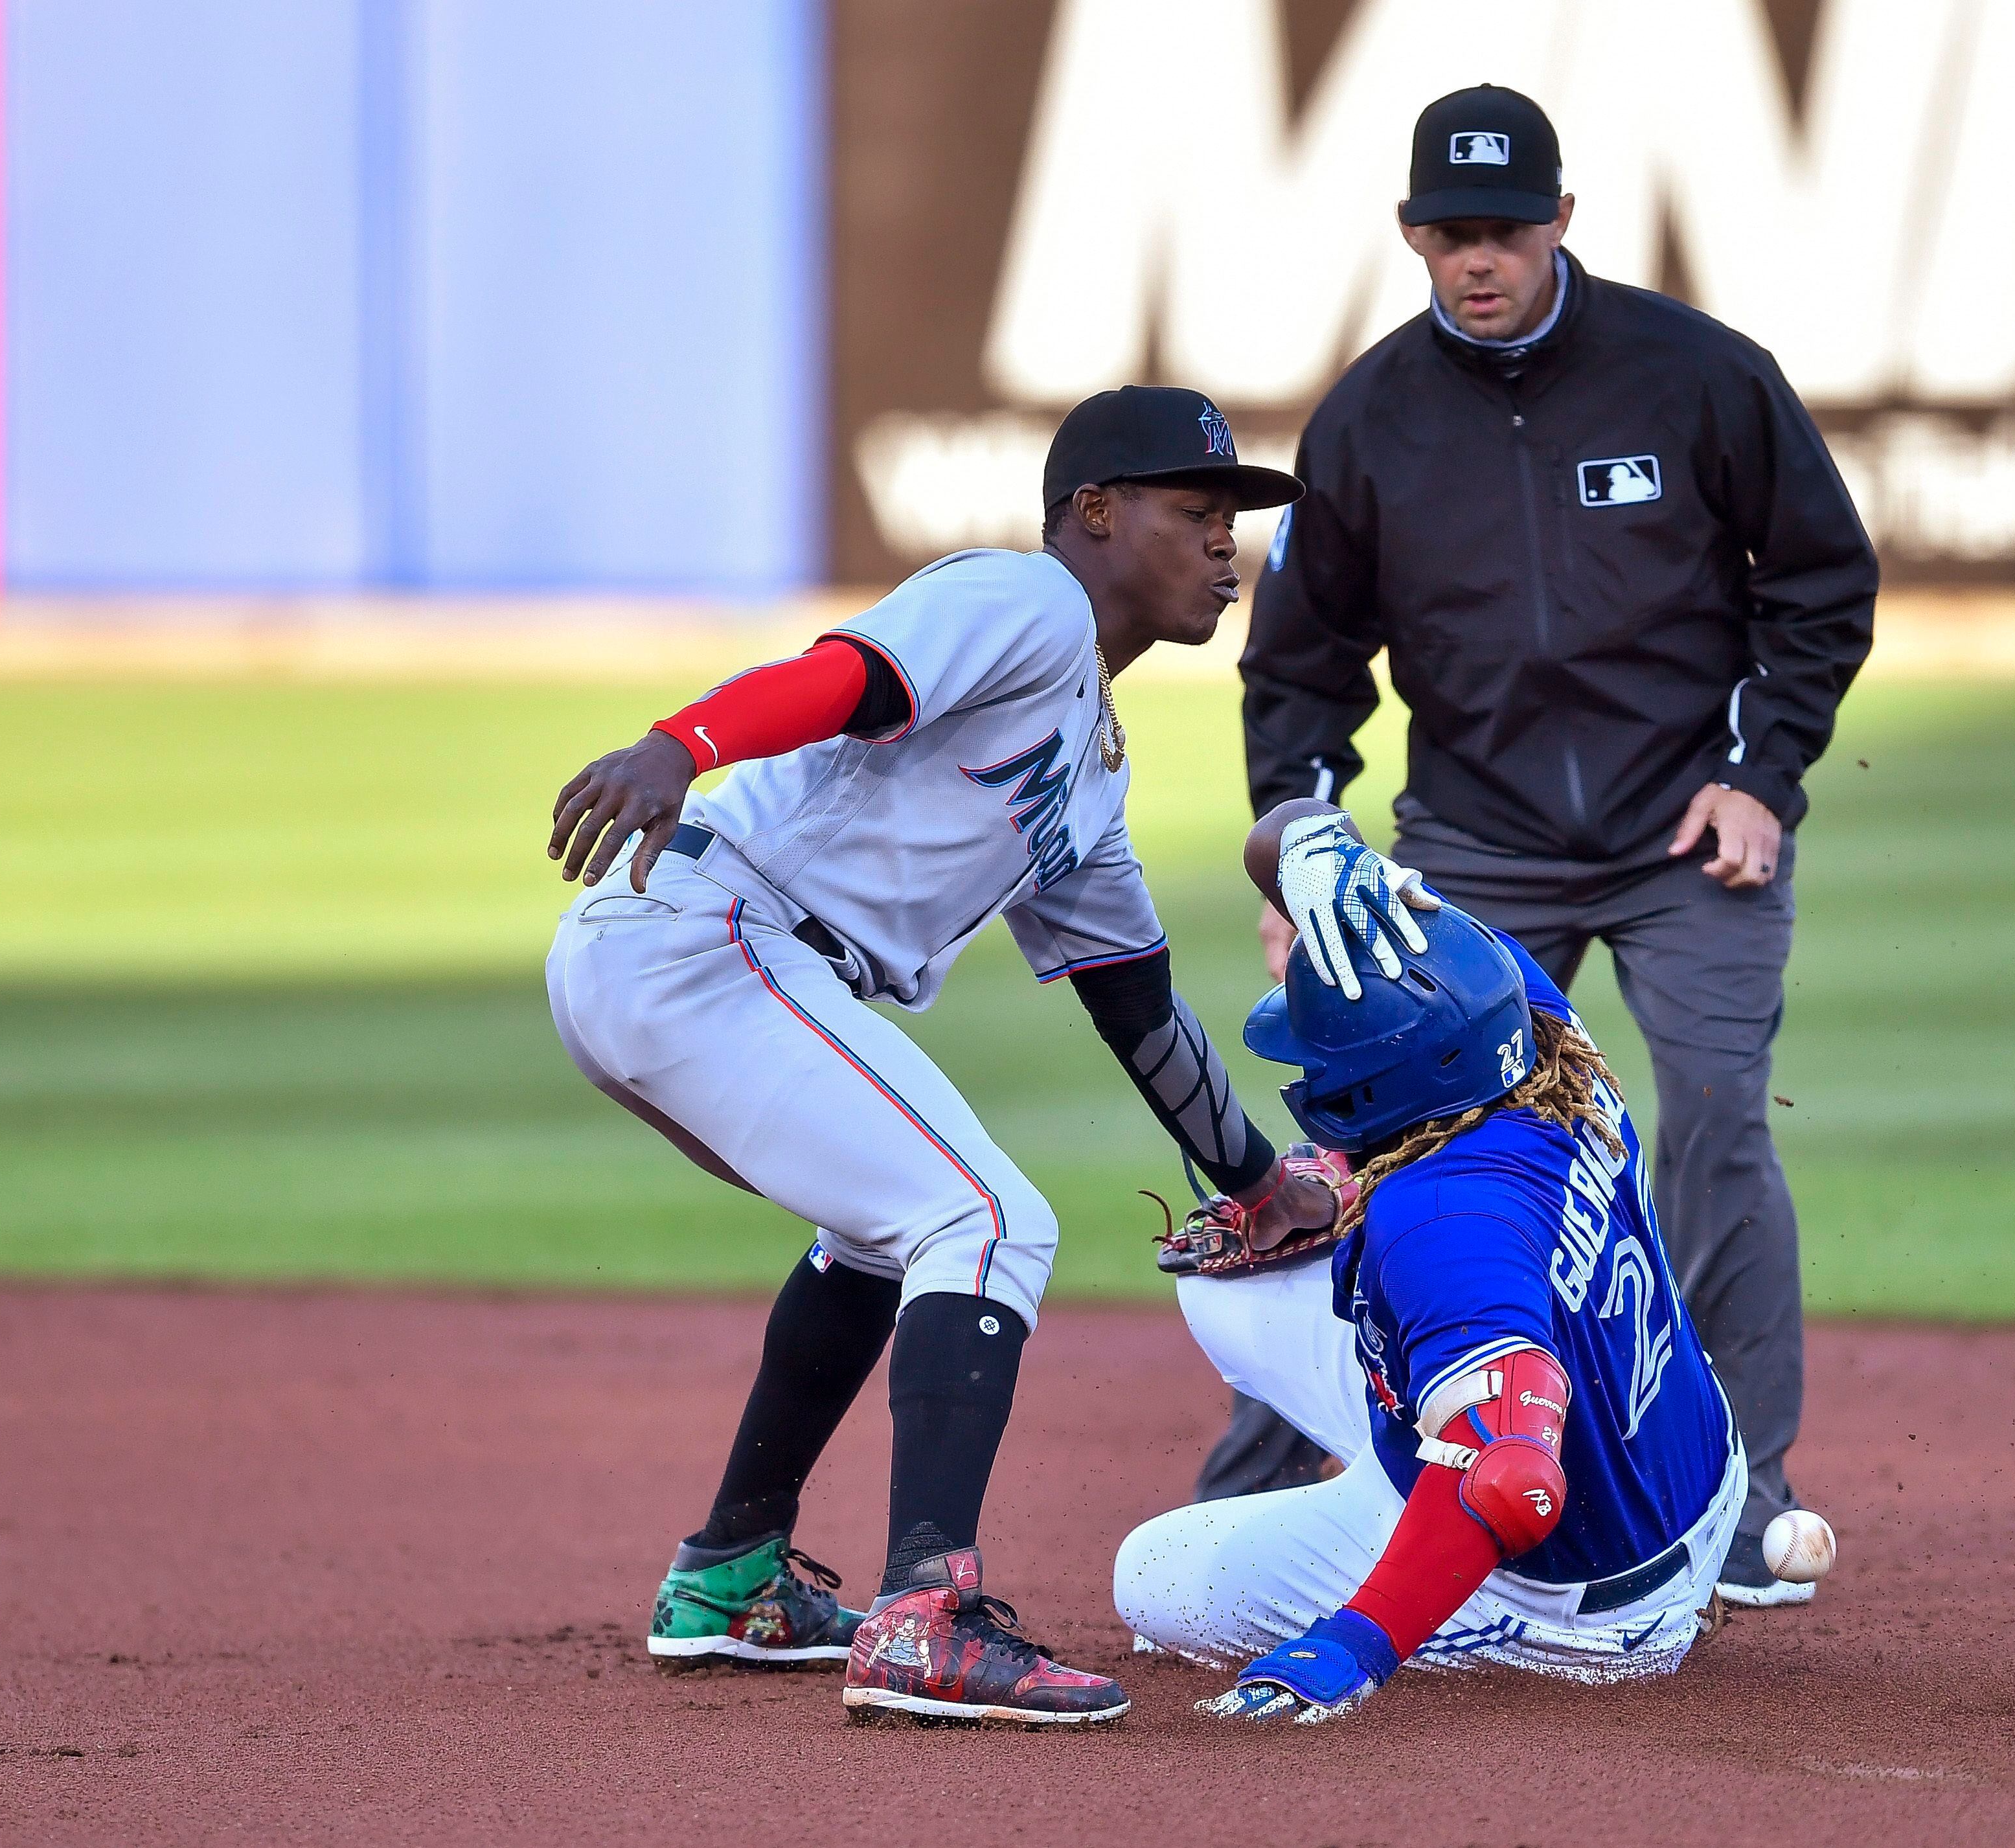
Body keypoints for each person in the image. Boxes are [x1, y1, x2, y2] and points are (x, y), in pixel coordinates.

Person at [543, 385, 1343, 1726]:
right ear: (1094, 513)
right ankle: (927, 1612)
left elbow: (1133, 1002)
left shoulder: (1089, 765)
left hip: (706, 958)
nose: (1226, 546)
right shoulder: (1025, 604)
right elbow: (851, 675)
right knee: (981, 1219)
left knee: (886, 1231)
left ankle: (730, 1572)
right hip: (709, 933)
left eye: (1233, 523)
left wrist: (1256, 1180)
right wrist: (680, 742)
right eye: (1196, 513)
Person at [1236, 84, 1878, 1604]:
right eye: (1450, 235)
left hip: (1683, 828)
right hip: (1474, 840)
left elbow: (1818, 581)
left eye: (1506, 232)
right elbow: (1302, 664)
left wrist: (1760, 775)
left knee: (1716, 1116)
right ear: (1411, 236)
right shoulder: (1370, 418)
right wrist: (1298, 857)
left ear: (1562, 224)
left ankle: (1730, 1499)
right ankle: (1315, 1484)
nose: (1480, 261)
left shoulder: (1697, 376)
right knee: (1386, 1149)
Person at [1120, 801, 1751, 1715]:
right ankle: (1413, 1458)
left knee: (1151, 1579)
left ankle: (1453, 1567)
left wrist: (1353, 1645)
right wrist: (1317, 849)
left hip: (1585, 1600)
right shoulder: (1531, 1020)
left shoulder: (1432, 1219)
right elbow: (1307, 853)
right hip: (1688, 1461)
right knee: (1224, 1300)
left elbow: (1517, 1483)